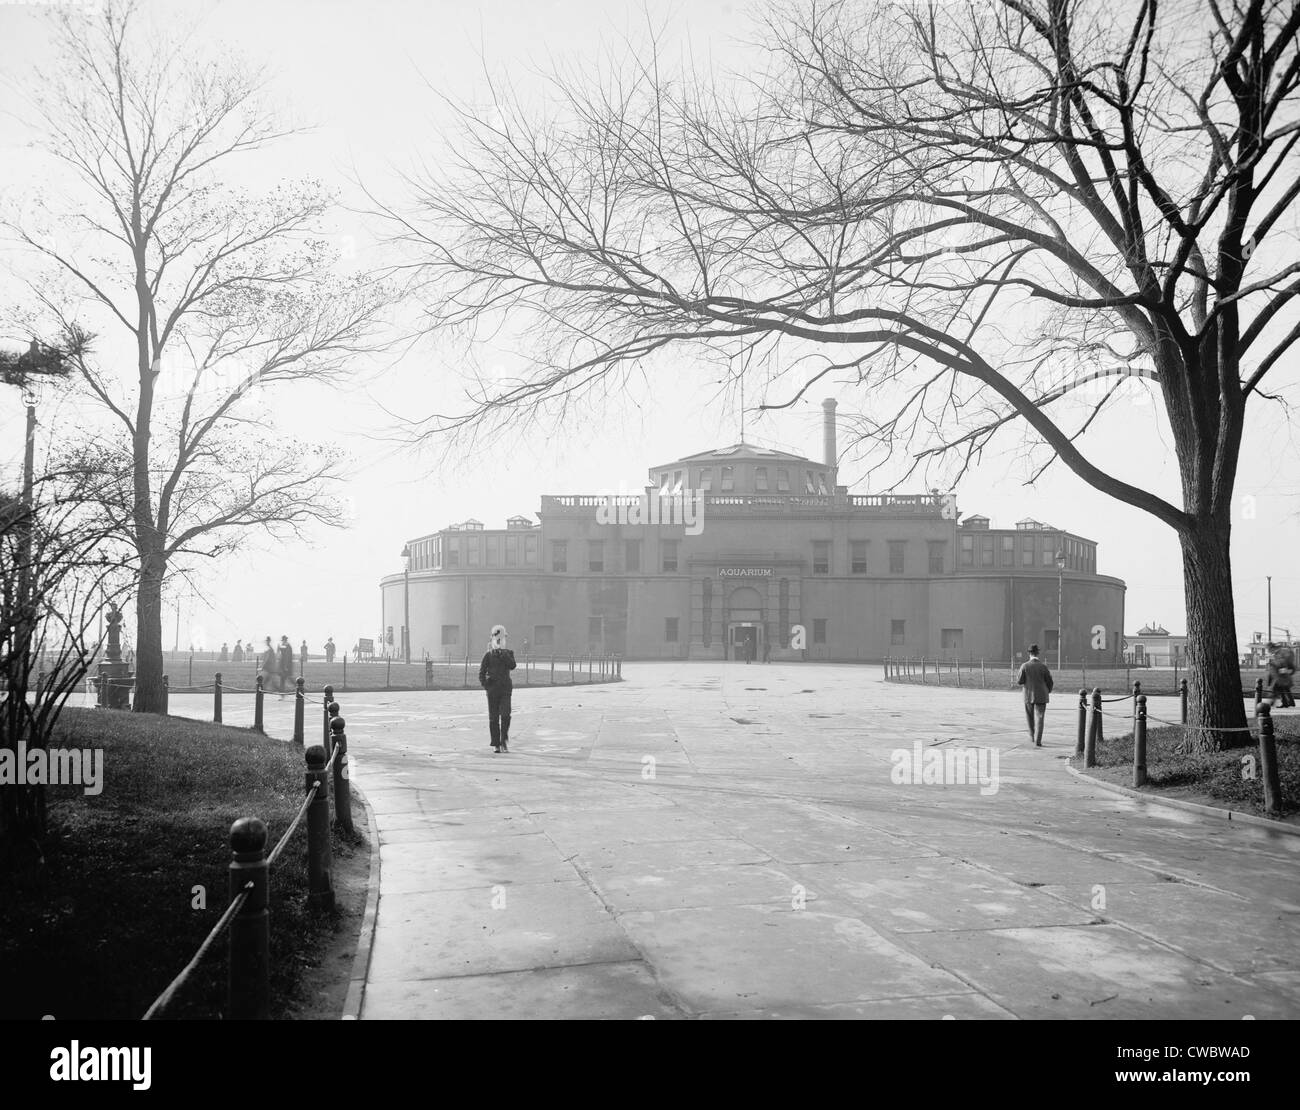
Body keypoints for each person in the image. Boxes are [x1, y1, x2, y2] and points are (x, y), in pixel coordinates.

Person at [478, 624, 517, 753]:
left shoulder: (508, 653)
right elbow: (481, 672)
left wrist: (502, 654)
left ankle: (503, 740)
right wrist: (486, 685)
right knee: (494, 718)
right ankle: (496, 743)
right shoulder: (488, 655)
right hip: (493, 690)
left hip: (505, 689)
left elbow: (512, 665)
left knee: (505, 715)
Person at [1015, 643, 1054, 746]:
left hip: (1028, 695)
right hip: (1041, 695)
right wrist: (1047, 691)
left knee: (1030, 716)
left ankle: (1032, 736)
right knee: (1040, 717)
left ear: (1029, 654)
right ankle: (1038, 740)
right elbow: (1050, 681)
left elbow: (1019, 681)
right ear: (1038, 653)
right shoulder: (1043, 666)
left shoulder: (1024, 666)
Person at [1267, 642, 1295, 708]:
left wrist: (1285, 670)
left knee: (1277, 688)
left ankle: (1273, 702)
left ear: (1272, 648)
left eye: (1269, 649)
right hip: (1281, 675)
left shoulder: (1280, 653)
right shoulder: (1277, 653)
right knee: (1283, 689)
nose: (1269, 651)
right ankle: (1288, 703)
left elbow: (1284, 663)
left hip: (1282, 675)